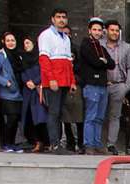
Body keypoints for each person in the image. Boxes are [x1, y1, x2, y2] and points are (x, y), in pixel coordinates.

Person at [38, 8, 76, 154]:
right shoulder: (46, 35)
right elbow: (44, 60)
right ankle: (54, 144)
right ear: (52, 19)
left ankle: (58, 143)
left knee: (59, 113)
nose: (61, 19)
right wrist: (51, 79)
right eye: (58, 17)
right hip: (54, 81)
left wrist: (72, 81)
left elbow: (68, 61)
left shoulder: (65, 38)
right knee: (53, 112)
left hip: (64, 81)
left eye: (64, 17)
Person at [78, 18, 115, 155]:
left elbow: (112, 64)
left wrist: (103, 61)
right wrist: (103, 61)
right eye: (94, 29)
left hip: (102, 86)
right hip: (91, 85)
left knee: (100, 117)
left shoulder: (101, 47)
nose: (97, 32)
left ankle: (97, 144)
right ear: (89, 31)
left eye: (99, 30)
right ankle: (89, 144)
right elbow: (94, 61)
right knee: (91, 116)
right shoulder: (85, 44)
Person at [102, 20, 130, 155]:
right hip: (102, 85)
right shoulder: (99, 45)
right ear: (106, 31)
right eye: (112, 30)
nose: (114, 33)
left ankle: (111, 144)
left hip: (119, 85)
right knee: (100, 115)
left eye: (117, 30)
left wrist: (127, 86)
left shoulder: (126, 47)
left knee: (115, 116)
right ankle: (98, 144)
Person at [16, 36, 49, 152]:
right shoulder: (22, 59)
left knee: (40, 117)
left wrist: (35, 82)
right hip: (27, 92)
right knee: (29, 117)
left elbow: (43, 72)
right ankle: (35, 141)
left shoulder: (39, 57)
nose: (26, 45)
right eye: (24, 43)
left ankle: (44, 141)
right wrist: (27, 82)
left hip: (38, 91)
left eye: (28, 43)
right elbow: (22, 72)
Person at [0, 32, 23, 152]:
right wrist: (5, 82)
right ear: (3, 42)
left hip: (19, 92)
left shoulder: (18, 55)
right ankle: (6, 143)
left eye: (13, 40)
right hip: (7, 93)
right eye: (8, 40)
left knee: (16, 119)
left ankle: (12, 143)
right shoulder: (1, 56)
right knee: (11, 119)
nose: (11, 43)